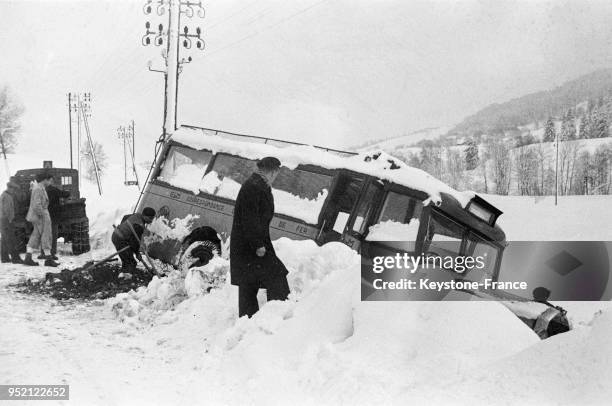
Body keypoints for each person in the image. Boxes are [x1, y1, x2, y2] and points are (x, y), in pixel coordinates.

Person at [230, 156, 290, 318]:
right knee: (275, 274)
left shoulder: (258, 184)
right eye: (276, 173)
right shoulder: (254, 187)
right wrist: (258, 244)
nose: (276, 177)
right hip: (252, 244)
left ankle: (249, 319)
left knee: (248, 283)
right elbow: (250, 218)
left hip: (248, 244)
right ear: (272, 171)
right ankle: (278, 314)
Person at [25, 172, 57, 267]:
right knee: (46, 235)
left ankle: (28, 257)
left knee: (36, 236)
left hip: (38, 215)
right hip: (42, 215)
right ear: (45, 180)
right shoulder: (39, 189)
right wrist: (42, 215)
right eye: (50, 180)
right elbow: (37, 204)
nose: (50, 182)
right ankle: (48, 259)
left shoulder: (38, 188)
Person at [111, 207, 156, 274]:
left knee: (127, 258)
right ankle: (125, 278)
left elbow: (125, 217)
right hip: (119, 239)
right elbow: (134, 242)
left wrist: (123, 229)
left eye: (152, 218)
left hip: (117, 235)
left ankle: (124, 273)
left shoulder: (137, 215)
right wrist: (137, 253)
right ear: (144, 216)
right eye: (150, 218)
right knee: (131, 262)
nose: (151, 221)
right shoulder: (139, 226)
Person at [46, 177, 71, 260]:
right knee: (53, 235)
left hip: (44, 215)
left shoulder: (42, 190)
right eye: (51, 181)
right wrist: (68, 192)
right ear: (50, 181)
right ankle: (52, 254)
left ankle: (43, 253)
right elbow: (64, 194)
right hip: (53, 215)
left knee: (45, 235)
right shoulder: (53, 190)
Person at [0, 179, 24, 264]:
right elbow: (7, 210)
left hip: (3, 219)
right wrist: (10, 219)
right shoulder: (7, 196)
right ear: (11, 188)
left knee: (4, 240)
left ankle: (4, 257)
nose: (14, 191)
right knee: (11, 239)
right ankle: (15, 258)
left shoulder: (4, 194)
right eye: (14, 189)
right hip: (6, 220)